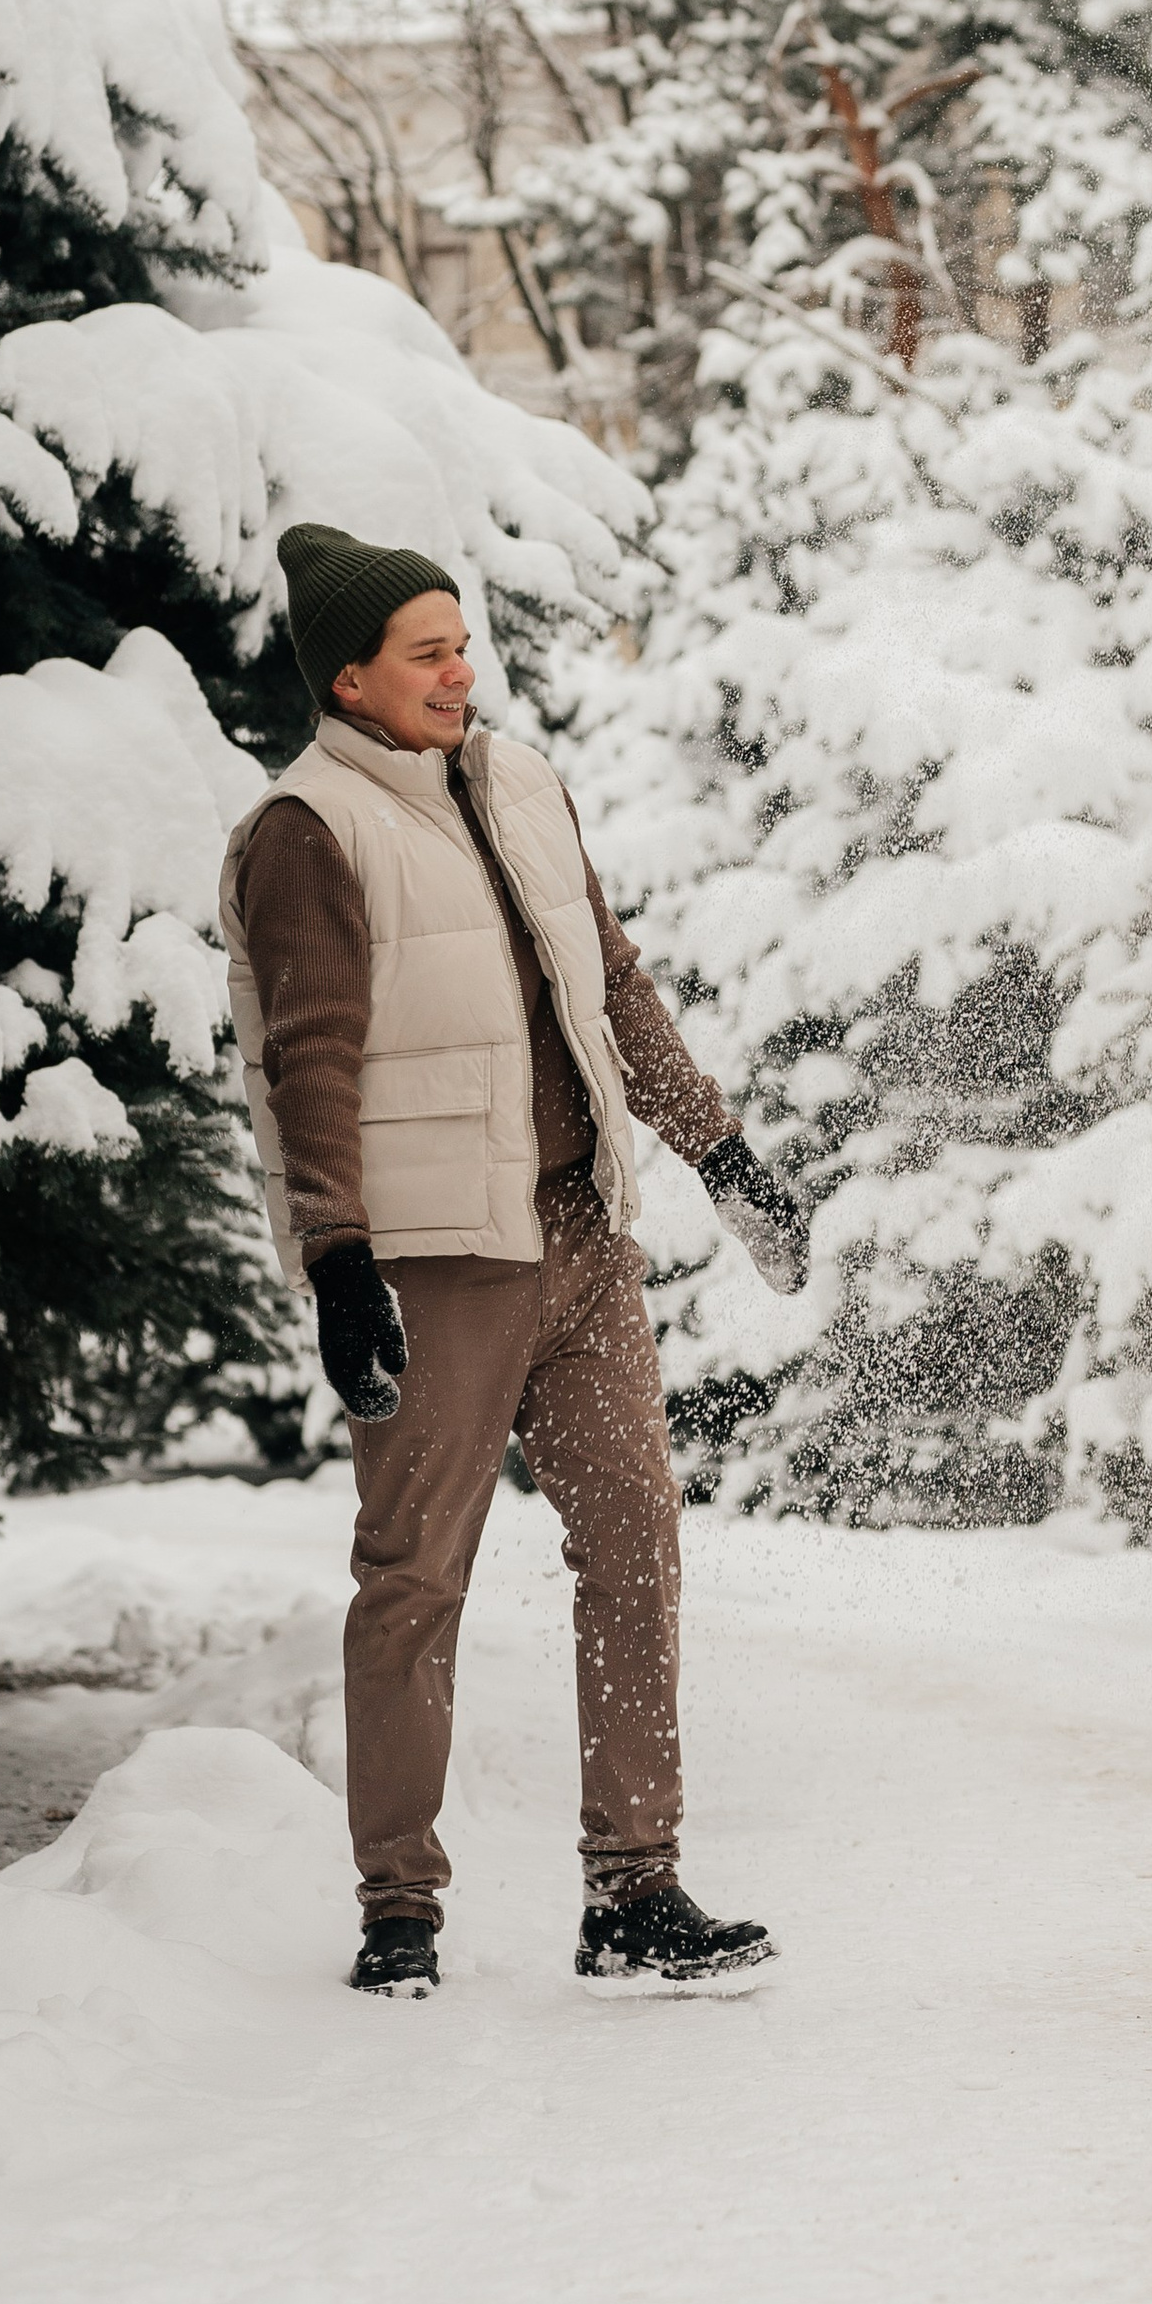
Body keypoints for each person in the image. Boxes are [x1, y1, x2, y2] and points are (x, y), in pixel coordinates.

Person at [220, 523, 814, 2001]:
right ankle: (398, 1908)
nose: (458, 671)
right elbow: (307, 1061)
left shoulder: (521, 781)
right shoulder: (308, 832)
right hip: (435, 1262)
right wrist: (340, 1260)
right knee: (415, 1576)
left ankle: (634, 1890)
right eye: (426, 653)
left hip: (579, 1238)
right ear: (348, 680)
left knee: (633, 1542)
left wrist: (721, 1154)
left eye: (462, 642)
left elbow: (611, 981)